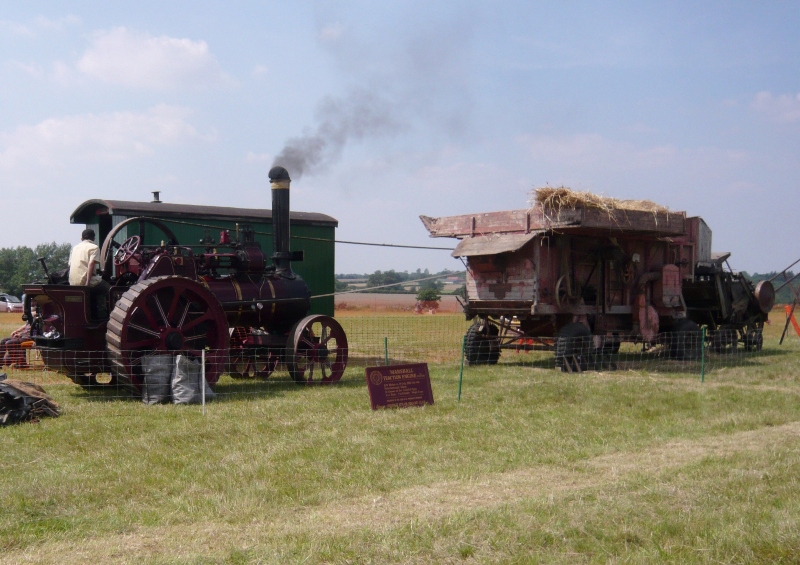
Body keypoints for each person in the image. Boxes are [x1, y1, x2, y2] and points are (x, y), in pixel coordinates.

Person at [69, 229, 110, 317]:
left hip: (72, 282)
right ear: (94, 238)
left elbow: (71, 264)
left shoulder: (75, 248)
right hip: (85, 281)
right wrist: (87, 282)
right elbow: (91, 263)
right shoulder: (94, 247)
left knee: (96, 288)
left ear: (81, 238)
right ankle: (103, 315)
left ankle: (93, 313)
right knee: (110, 289)